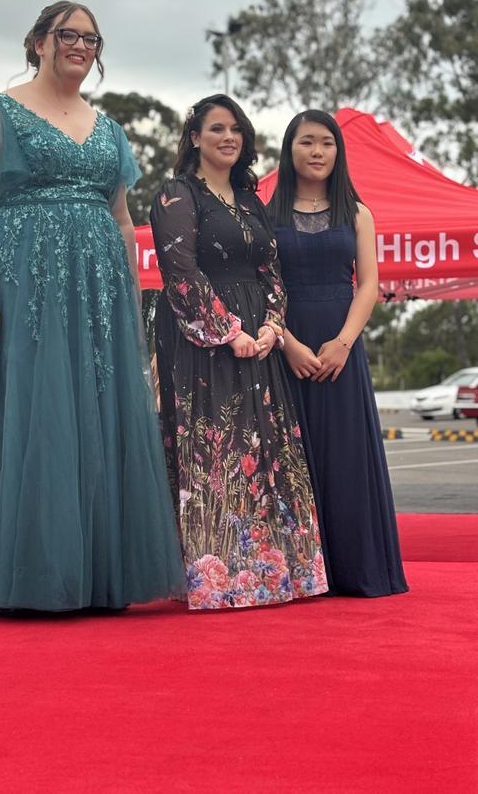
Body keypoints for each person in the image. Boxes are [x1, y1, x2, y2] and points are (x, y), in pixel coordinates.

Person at [0, 0, 185, 611]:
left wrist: (130, 293)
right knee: (33, 413)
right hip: (21, 284)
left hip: (99, 292)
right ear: (38, 41)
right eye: (68, 35)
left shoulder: (108, 128)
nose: (81, 46)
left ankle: (98, 575)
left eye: (91, 38)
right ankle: (28, 577)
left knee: (93, 415)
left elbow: (120, 213)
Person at [150, 94, 328, 611]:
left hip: (260, 336)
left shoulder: (252, 200)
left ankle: (279, 574)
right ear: (194, 138)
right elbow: (179, 270)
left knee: (266, 445)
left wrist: (273, 325)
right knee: (217, 445)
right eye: (217, 129)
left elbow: (273, 270)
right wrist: (228, 331)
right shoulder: (177, 194)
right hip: (202, 337)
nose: (229, 138)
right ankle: (220, 577)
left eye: (237, 130)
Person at [268, 109, 408, 597]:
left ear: (338, 151)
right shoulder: (266, 214)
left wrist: (344, 342)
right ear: (289, 150)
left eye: (326, 143)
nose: (317, 152)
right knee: (293, 460)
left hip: (341, 346)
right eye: (306, 142)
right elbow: (258, 287)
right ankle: (302, 574)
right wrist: (287, 342)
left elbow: (368, 285)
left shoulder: (358, 212)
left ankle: (355, 569)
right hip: (287, 344)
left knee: (346, 456)